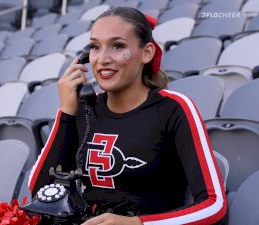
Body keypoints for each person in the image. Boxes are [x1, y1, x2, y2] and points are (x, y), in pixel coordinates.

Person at [28, 7, 227, 225]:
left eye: (118, 46)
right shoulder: (84, 110)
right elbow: (40, 192)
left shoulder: (174, 108)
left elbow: (214, 205)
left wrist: (137, 223)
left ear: (147, 53)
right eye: (95, 47)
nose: (102, 59)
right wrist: (67, 112)